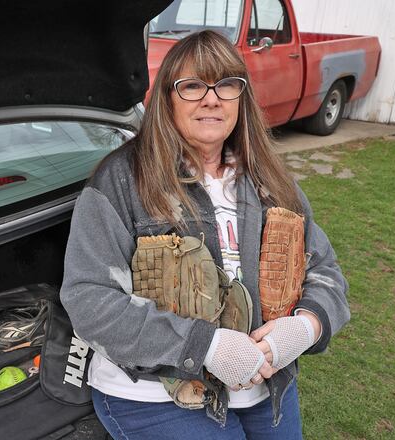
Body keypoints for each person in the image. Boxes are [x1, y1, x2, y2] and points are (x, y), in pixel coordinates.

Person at [59, 30, 349, 439]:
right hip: (154, 393)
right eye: (193, 86)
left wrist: (305, 327)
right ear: (167, 98)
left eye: (226, 84)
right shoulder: (122, 181)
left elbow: (325, 271)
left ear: (241, 98)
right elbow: (89, 299)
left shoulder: (271, 181)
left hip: (265, 387)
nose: (211, 99)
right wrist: (205, 346)